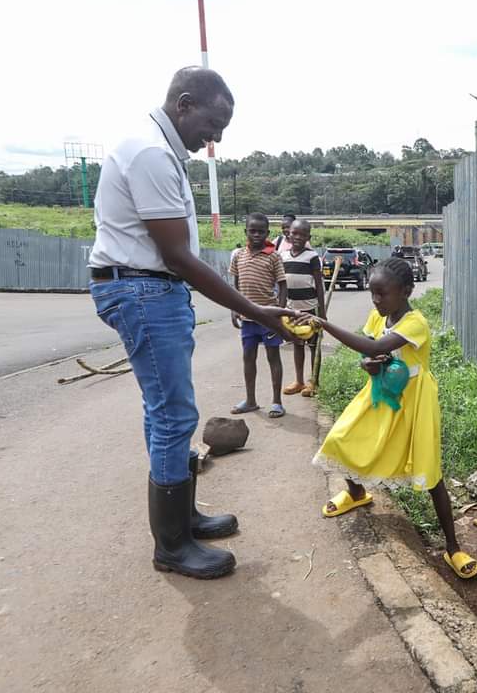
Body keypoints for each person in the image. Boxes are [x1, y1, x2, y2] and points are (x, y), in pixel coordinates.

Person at [88, 66, 296, 580]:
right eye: (214, 121)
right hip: (142, 288)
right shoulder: (151, 154)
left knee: (167, 411)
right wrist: (255, 308)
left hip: (148, 287)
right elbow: (178, 256)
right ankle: (173, 545)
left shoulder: (159, 150)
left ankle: (184, 518)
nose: (217, 137)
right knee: (173, 415)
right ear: (184, 103)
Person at [299, 257, 477, 579]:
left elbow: (380, 344)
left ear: (406, 291)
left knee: (429, 469)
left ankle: (453, 547)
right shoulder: (377, 316)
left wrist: (324, 324)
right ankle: (357, 494)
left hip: (413, 400)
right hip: (381, 392)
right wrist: (368, 364)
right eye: (372, 294)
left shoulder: (415, 323)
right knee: (341, 439)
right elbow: (371, 352)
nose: (376, 301)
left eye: (382, 294)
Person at [229, 213, 288, 418]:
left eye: (261, 231)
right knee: (248, 358)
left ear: (267, 233)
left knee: (273, 357)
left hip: (268, 318)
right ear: (246, 232)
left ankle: (277, 402)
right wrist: (233, 308)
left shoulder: (273, 256)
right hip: (247, 319)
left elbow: (282, 286)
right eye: (252, 230)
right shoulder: (238, 255)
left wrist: (280, 314)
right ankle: (251, 400)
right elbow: (235, 286)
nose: (256, 234)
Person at [281, 219, 326, 396]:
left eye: (302, 234)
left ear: (308, 237)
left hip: (310, 309)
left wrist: (322, 312)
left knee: (314, 345)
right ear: (288, 234)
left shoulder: (312, 257)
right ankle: (298, 381)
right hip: (292, 310)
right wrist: (281, 307)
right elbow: (281, 284)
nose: (298, 237)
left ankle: (314, 381)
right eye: (295, 233)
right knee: (297, 344)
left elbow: (319, 285)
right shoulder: (282, 256)